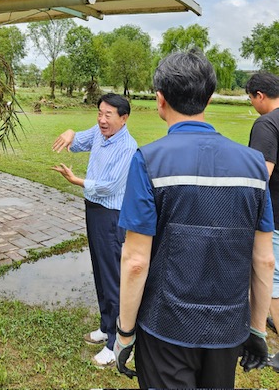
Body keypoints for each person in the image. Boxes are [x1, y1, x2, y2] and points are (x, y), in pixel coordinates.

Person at [114, 50, 274, 388]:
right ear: (210, 97)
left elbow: (135, 261)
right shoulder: (254, 165)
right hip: (228, 328)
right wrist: (258, 328)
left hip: (165, 327)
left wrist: (125, 332)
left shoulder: (148, 161)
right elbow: (263, 259)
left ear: (160, 99)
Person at [52, 93, 137, 368]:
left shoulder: (128, 147)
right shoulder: (101, 133)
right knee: (100, 270)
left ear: (123, 119)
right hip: (94, 210)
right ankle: (105, 325)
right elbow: (80, 141)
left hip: (111, 215)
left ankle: (117, 343)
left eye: (108, 115)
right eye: (99, 113)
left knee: (112, 276)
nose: (102, 120)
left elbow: (110, 186)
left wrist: (77, 180)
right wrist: (70, 132)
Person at [246, 71, 279, 369]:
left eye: (251, 98)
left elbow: (261, 177)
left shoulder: (266, 124)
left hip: (275, 215)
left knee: (273, 280)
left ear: (259, 95)